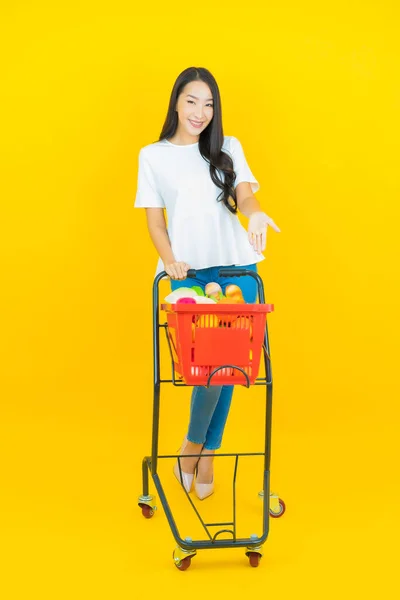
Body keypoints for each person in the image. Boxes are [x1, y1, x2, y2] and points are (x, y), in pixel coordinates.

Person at [134, 66, 280, 500]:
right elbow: (156, 223)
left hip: (238, 272)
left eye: (209, 104)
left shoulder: (227, 148)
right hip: (192, 277)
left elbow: (245, 197)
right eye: (192, 101)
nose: (200, 112)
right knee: (209, 370)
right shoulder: (153, 156)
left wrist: (253, 213)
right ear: (176, 102)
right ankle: (197, 449)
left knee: (230, 370)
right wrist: (170, 260)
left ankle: (198, 451)